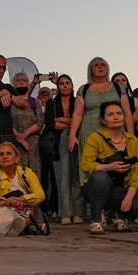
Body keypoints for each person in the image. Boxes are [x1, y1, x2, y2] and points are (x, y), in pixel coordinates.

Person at [79, 101, 138, 234]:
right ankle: (96, 220)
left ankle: (119, 216)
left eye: (119, 114)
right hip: (96, 188)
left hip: (122, 189)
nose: (116, 117)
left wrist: (130, 196)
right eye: (110, 115)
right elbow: (85, 164)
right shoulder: (95, 138)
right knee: (101, 177)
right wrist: (109, 167)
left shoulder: (134, 141)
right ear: (103, 120)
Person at [68, 58, 135, 160]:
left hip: (115, 133)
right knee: (90, 165)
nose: (100, 66)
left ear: (108, 69)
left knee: (118, 163)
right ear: (91, 70)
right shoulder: (84, 90)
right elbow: (77, 114)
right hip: (89, 132)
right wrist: (72, 135)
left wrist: (131, 137)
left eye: (103, 65)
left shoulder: (118, 88)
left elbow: (127, 113)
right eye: (96, 65)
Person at [0, 141, 46, 237]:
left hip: (24, 208)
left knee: (33, 204)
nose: (5, 157)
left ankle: (21, 224)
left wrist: (22, 199)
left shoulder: (27, 173)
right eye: (1, 154)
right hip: (4, 209)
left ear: (17, 158)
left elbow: (40, 195)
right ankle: (22, 227)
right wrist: (6, 202)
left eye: (9, 153)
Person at [44, 74, 82, 225]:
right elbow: (51, 124)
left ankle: (78, 212)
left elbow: (80, 121)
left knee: (76, 177)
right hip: (59, 141)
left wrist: (63, 120)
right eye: (62, 83)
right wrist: (71, 123)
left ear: (72, 86)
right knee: (62, 178)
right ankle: (65, 213)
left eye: (68, 83)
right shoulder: (51, 104)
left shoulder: (78, 102)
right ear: (58, 87)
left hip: (77, 139)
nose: (65, 86)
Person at [10, 72, 44, 179]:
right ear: (13, 84)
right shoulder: (10, 102)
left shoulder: (34, 102)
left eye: (24, 80)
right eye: (18, 80)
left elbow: (40, 122)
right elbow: (7, 122)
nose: (21, 82)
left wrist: (25, 135)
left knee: (34, 177)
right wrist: (20, 138)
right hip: (16, 145)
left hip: (33, 146)